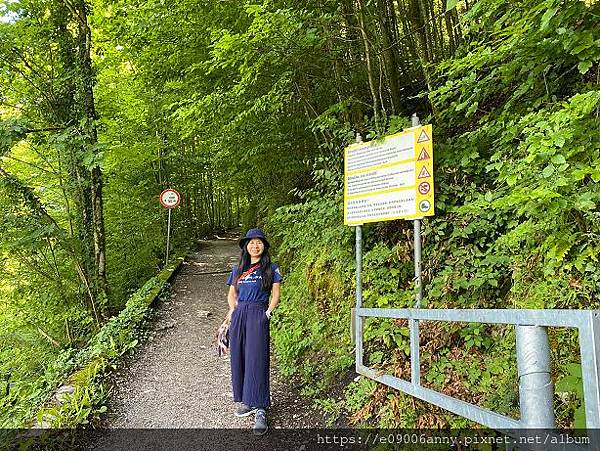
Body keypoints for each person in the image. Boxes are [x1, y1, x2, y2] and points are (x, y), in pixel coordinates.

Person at [226, 228, 282, 435]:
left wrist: (267, 313)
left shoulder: (271, 268)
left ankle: (260, 408)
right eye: (251, 242)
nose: (255, 245)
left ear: (264, 246)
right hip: (240, 314)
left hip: (258, 313)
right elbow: (231, 294)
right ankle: (246, 400)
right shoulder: (238, 269)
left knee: (257, 358)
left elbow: (275, 295)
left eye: (259, 242)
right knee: (239, 356)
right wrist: (233, 311)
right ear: (245, 246)